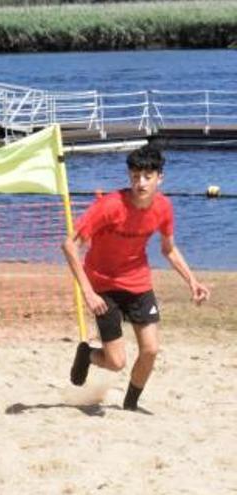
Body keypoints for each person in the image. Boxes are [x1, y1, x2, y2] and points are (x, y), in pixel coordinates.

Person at [62, 144, 210, 411]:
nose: (140, 183)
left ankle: (130, 406)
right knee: (116, 362)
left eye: (147, 176)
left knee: (151, 350)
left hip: (138, 283)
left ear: (159, 177)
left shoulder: (163, 207)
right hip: (103, 285)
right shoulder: (109, 206)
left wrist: (192, 281)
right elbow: (69, 245)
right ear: (129, 176)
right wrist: (88, 292)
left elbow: (169, 249)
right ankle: (88, 355)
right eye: (134, 176)